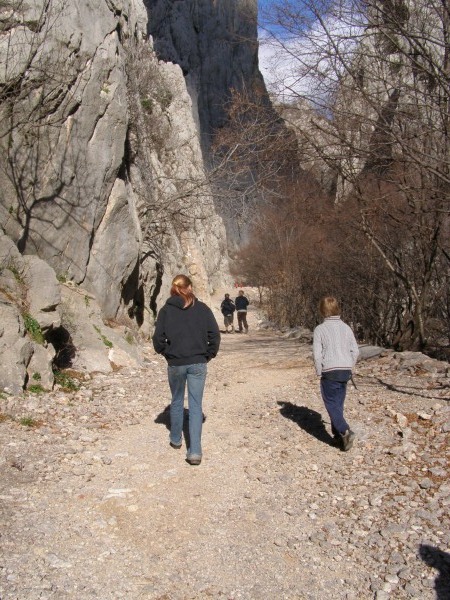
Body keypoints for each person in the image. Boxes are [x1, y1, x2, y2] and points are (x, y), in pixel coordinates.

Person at [152, 274, 221, 465]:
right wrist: (208, 355)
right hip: (198, 362)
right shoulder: (202, 309)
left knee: (176, 400)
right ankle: (195, 451)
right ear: (189, 287)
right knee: (196, 405)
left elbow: (157, 339)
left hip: (175, 363)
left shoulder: (166, 310)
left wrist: (166, 353)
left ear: (174, 288)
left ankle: (176, 439)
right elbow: (215, 335)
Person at [313, 296, 359, 451]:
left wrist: (319, 370)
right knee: (338, 404)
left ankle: (345, 430)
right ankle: (339, 438)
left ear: (322, 310)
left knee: (331, 403)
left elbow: (317, 354)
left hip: (330, 371)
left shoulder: (320, 329)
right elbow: (355, 350)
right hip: (345, 371)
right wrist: (350, 365)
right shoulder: (346, 327)